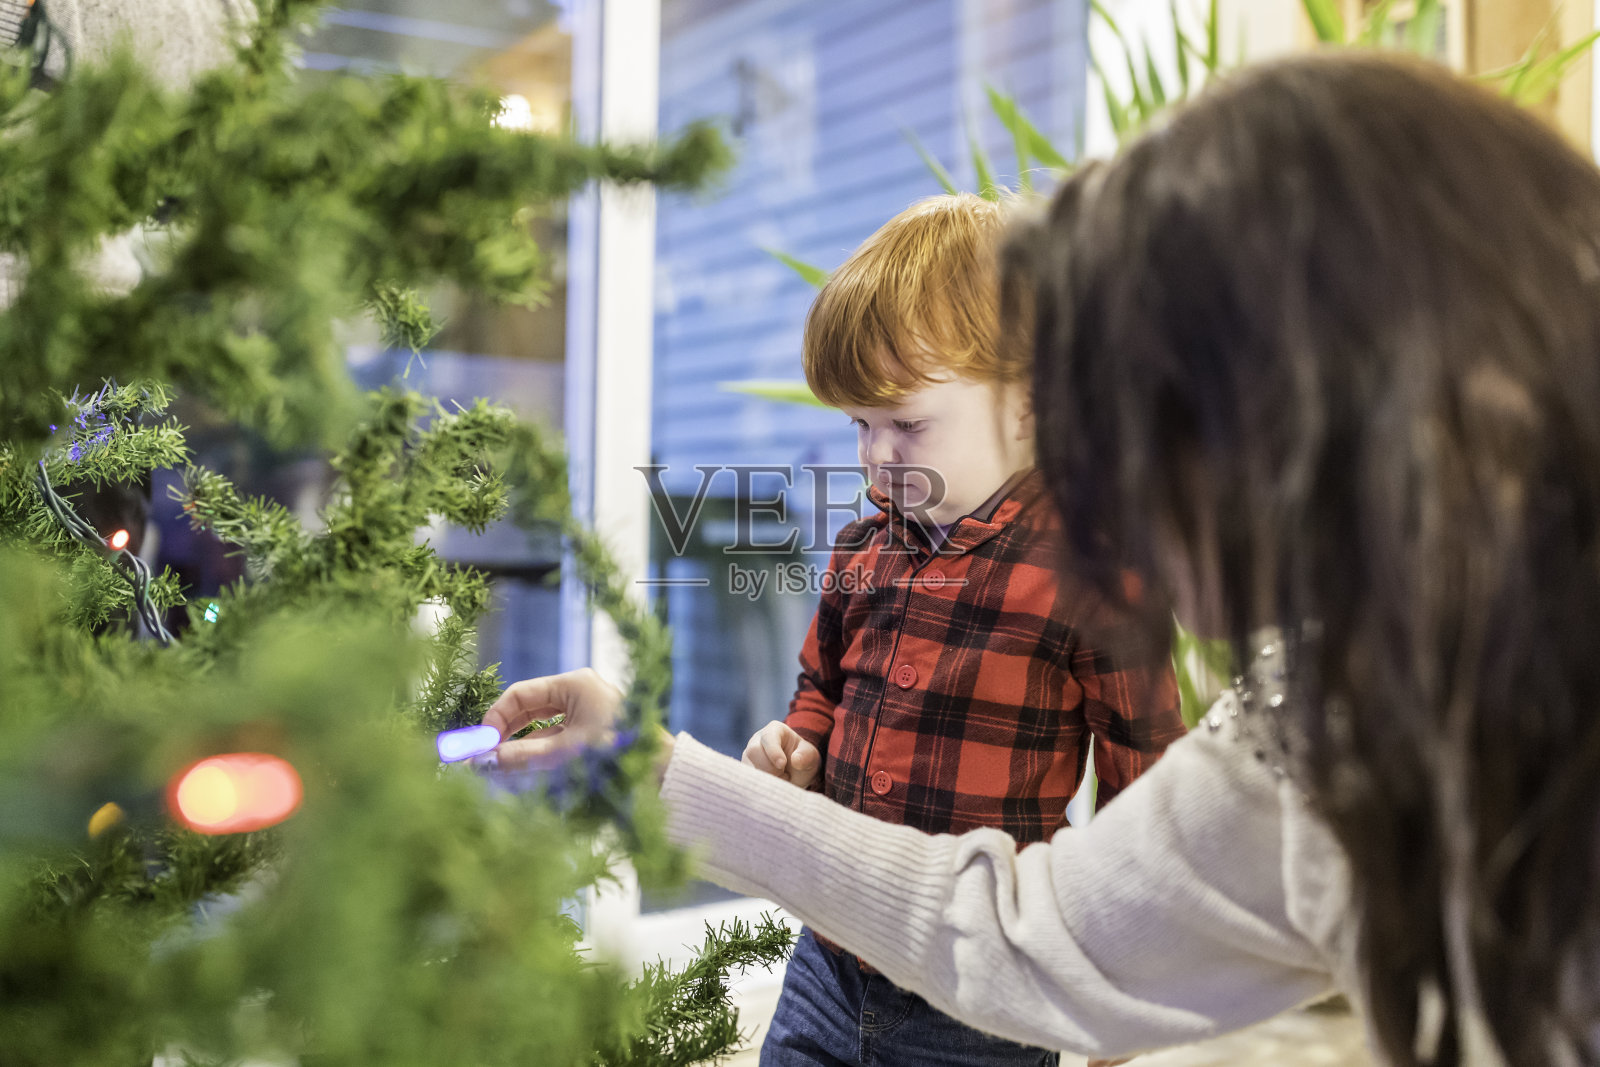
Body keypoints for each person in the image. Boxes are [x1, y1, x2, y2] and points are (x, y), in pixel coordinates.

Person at [485, 53, 1600, 1066]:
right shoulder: (1318, 724)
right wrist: (656, 762)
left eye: (1129, 408)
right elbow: (1040, 935)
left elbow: (1117, 811)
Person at [736, 193, 1185, 1066]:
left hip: (983, 996)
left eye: (906, 423)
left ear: (1027, 402)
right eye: (860, 425)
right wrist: (798, 745)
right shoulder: (864, 543)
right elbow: (822, 686)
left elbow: (1150, 790)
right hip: (830, 959)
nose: (875, 455)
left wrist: (1128, 976)